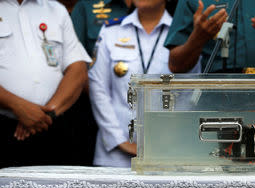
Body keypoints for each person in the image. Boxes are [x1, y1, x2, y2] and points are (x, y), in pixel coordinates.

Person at [88, 0, 201, 167]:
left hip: (167, 154)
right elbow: (98, 88)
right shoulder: (112, 31)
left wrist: (169, 141)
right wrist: (119, 141)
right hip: (114, 156)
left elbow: (190, 93)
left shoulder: (182, 36)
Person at [0, 0, 91, 168]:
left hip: (53, 125)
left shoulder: (55, 9)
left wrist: (47, 113)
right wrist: (17, 105)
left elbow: (77, 69)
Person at [69, 0, 132, 166]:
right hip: (90, 109)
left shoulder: (163, 11)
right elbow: (73, 62)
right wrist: (101, 100)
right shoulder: (86, 6)